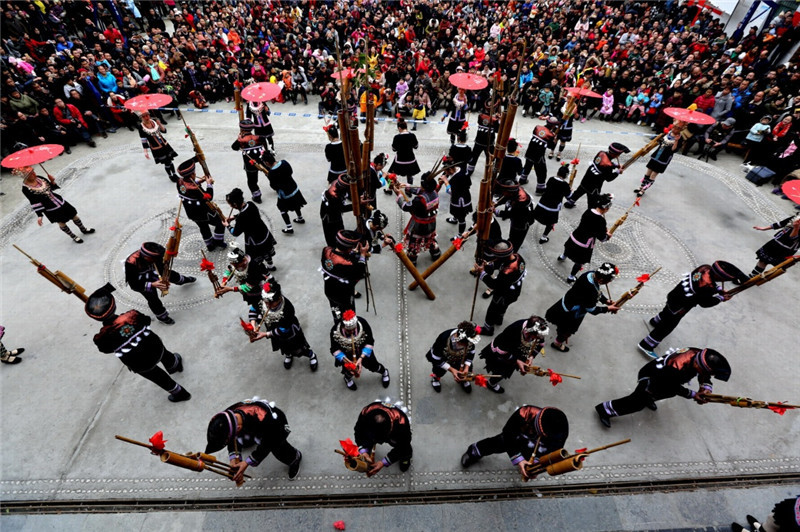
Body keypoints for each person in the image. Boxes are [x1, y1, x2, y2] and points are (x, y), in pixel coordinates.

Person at [85, 283, 191, 402]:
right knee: (164, 354)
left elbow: (105, 349)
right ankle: (174, 365)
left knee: (158, 376)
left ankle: (180, 393)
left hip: (139, 363)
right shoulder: (132, 315)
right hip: (154, 346)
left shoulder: (102, 336)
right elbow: (146, 321)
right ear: (114, 306)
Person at [595, 347, 731, 428]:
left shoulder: (698, 354)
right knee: (636, 402)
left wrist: (706, 387)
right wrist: (693, 394)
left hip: (666, 380)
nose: (707, 375)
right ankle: (605, 410)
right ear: (699, 365)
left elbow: (704, 374)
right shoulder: (676, 367)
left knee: (664, 393)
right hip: (653, 378)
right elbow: (672, 386)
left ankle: (650, 398)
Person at [638, 261, 748, 358]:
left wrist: (717, 289)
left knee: (667, 310)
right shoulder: (709, 287)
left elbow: (706, 284)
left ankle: (655, 321)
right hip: (681, 307)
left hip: (674, 295)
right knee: (668, 325)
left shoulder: (705, 267)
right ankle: (647, 344)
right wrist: (720, 298)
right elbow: (705, 303)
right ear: (721, 278)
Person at [205, 397, 303, 482]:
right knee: (244, 440)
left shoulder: (267, 420)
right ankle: (250, 439)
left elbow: (266, 445)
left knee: (277, 447)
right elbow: (232, 438)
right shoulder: (227, 417)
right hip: (250, 426)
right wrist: (234, 458)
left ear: (238, 428)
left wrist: (247, 462)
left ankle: (295, 458)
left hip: (275, 428)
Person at [460, 405, 569, 482]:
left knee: (530, 460)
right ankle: (474, 451)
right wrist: (519, 459)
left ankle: (526, 465)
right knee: (497, 443)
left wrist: (536, 466)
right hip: (516, 437)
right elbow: (508, 433)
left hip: (537, 448)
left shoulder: (560, 432)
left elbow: (553, 451)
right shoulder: (525, 413)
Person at [545, 262, 621, 352]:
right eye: (608, 281)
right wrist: (608, 308)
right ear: (601, 280)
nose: (609, 283)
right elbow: (592, 310)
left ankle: (560, 327)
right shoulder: (591, 290)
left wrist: (606, 301)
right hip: (573, 312)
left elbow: (597, 291)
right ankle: (557, 343)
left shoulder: (590, 274)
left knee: (561, 320)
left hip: (568, 301)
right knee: (567, 330)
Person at [124, 242, 197, 325]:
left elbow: (162, 267)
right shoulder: (131, 263)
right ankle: (162, 316)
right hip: (142, 281)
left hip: (155, 271)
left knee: (171, 274)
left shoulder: (155, 256)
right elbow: (134, 284)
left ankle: (183, 280)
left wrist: (164, 279)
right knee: (152, 298)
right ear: (146, 257)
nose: (158, 259)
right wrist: (152, 284)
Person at [250, 282, 318, 371]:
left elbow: (284, 329)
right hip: (274, 332)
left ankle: (311, 355)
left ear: (279, 298)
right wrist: (253, 324)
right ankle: (288, 354)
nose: (268, 305)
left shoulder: (287, 308)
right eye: (266, 302)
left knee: (298, 348)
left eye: (271, 303)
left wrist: (265, 334)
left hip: (290, 333)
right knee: (282, 346)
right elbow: (253, 309)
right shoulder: (262, 301)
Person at [18, 165, 94, 244]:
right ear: (25, 177)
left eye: (33, 171)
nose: (34, 174)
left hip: (59, 201)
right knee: (61, 222)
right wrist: (39, 215)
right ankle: (73, 236)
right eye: (30, 174)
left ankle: (83, 229)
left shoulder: (40, 178)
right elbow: (33, 201)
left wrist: (52, 181)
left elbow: (51, 188)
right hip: (49, 208)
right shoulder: (26, 189)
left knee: (74, 215)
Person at [477, 316, 549, 394]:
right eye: (536, 337)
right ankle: (491, 384)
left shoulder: (539, 331)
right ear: (529, 332)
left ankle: (493, 381)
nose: (538, 338)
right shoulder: (514, 329)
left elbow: (540, 344)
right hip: (504, 352)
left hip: (519, 351)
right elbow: (502, 351)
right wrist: (517, 361)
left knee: (508, 369)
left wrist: (531, 356)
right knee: (501, 370)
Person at [473, 240, 527, 337]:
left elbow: (494, 284)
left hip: (503, 294)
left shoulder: (508, 271)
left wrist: (482, 273)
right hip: (514, 292)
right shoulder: (518, 257)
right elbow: (498, 263)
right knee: (503, 307)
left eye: (497, 256)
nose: (496, 258)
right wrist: (487, 266)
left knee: (492, 309)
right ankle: (499, 319)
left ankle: (488, 329)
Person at [558, 192, 614, 282]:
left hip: (576, 235)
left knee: (569, 248)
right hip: (584, 243)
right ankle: (571, 276)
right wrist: (607, 235)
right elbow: (602, 238)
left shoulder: (588, 211)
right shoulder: (601, 220)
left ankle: (562, 256)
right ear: (606, 208)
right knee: (579, 261)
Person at [330, 310, 390, 391]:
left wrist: (361, 358)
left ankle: (384, 372)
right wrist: (348, 361)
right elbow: (334, 348)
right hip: (346, 356)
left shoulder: (363, 323)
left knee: (374, 366)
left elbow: (370, 341)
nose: (351, 332)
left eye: (353, 329)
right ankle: (347, 378)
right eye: (348, 331)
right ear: (343, 326)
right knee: (349, 371)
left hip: (364, 353)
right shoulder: (335, 331)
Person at [175, 158, 226, 251]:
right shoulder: (195, 189)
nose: (195, 174)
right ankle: (218, 241)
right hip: (204, 213)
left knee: (203, 228)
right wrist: (209, 184)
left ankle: (210, 245)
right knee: (220, 223)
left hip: (192, 214)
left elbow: (189, 186)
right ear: (191, 175)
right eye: (194, 173)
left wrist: (199, 181)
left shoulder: (179, 182)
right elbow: (208, 197)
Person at [353, 399, 412, 476]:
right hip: (379, 432)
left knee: (405, 450)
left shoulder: (401, 424)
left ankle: (405, 460)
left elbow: (403, 446)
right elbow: (359, 432)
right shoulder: (366, 412)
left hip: (395, 435)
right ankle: (367, 451)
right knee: (367, 441)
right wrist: (363, 450)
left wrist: (384, 462)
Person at [224, 187, 277, 271]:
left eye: (231, 205)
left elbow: (235, 232)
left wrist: (227, 225)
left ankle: (263, 271)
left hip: (254, 240)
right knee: (266, 251)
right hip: (263, 232)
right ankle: (271, 265)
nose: (231, 206)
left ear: (235, 204)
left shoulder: (241, 218)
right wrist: (234, 217)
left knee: (257, 256)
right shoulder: (250, 204)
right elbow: (247, 213)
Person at [394, 171, 441, 265]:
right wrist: (407, 186)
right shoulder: (434, 192)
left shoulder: (420, 200)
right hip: (431, 223)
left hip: (419, 226)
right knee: (430, 238)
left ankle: (412, 260)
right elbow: (421, 190)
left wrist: (399, 195)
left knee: (414, 242)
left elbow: (406, 206)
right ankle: (436, 253)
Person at [564, 143, 629, 209]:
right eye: (618, 154)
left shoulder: (601, 153)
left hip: (587, 178)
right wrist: (618, 172)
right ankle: (590, 213)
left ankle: (569, 203)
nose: (618, 156)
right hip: (594, 185)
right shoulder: (608, 166)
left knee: (579, 191)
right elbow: (609, 178)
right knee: (592, 201)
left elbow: (602, 163)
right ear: (615, 154)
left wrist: (615, 165)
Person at [320, 229, 368, 320]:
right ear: (349, 248)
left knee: (335, 309)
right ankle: (348, 327)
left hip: (329, 289)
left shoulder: (326, 251)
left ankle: (337, 320)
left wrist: (352, 252)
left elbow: (341, 259)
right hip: (343, 293)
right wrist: (362, 255)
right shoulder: (346, 264)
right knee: (348, 312)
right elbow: (359, 272)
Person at [425, 321, 480, 393]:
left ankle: (464, 380)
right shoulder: (444, 338)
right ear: (457, 337)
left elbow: (471, 353)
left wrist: (466, 368)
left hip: (460, 359)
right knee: (438, 371)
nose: (466, 346)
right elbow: (436, 358)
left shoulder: (470, 338)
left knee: (466, 371)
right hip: (444, 358)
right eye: (463, 344)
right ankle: (436, 379)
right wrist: (452, 370)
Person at [261, 151, 306, 234]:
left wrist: (268, 176)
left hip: (285, 193)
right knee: (296, 204)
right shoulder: (284, 162)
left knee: (282, 208)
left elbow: (274, 187)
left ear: (267, 162)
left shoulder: (271, 173)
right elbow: (291, 172)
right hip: (293, 187)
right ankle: (300, 218)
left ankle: (289, 227)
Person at [634, 127, 681, 196]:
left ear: (680, 130)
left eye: (676, 128)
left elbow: (673, 150)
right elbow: (658, 142)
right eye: (673, 127)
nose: (674, 129)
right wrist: (660, 136)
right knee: (648, 173)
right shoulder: (668, 133)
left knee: (653, 175)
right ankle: (641, 186)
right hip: (656, 155)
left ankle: (643, 190)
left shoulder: (679, 137)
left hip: (664, 158)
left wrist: (676, 141)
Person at [231, 119, 269, 203]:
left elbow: (234, 147)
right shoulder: (258, 137)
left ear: (242, 129)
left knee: (252, 181)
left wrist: (239, 139)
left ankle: (257, 196)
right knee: (268, 173)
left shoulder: (241, 140)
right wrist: (265, 151)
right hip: (261, 159)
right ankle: (277, 186)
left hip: (250, 164)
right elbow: (264, 141)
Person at [533, 163, 572, 244]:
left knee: (534, 215)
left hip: (543, 203)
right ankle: (543, 237)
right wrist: (570, 190)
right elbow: (569, 197)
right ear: (566, 176)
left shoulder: (551, 179)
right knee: (550, 223)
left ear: (557, 172)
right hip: (553, 208)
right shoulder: (565, 185)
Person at [137, 110, 178, 181]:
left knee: (170, 160)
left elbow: (164, 131)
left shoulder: (154, 121)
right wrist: (145, 151)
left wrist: (160, 124)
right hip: (156, 147)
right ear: (141, 117)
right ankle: (170, 175)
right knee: (167, 162)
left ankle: (174, 174)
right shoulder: (141, 127)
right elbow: (143, 139)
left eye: (147, 115)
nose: (146, 117)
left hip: (164, 144)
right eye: (144, 116)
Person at [520, 117, 558, 193]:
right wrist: (555, 140)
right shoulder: (551, 135)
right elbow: (551, 146)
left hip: (530, 151)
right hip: (538, 155)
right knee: (542, 171)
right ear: (553, 126)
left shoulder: (537, 127)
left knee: (527, 165)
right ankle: (540, 189)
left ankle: (522, 180)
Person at [495, 179, 534, 253]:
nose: (503, 193)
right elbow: (505, 197)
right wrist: (496, 203)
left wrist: (496, 211)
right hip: (517, 218)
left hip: (521, 222)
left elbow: (511, 214)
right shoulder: (514, 191)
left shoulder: (521, 201)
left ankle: (512, 252)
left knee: (516, 240)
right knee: (512, 236)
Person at [320, 173, 354, 247]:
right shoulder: (335, 196)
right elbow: (341, 209)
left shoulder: (337, 183)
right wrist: (356, 205)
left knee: (339, 229)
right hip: (330, 217)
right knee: (332, 234)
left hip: (333, 212)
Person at [388, 118, 420, 185]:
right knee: (409, 174)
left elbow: (394, 149)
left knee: (391, 173)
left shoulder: (397, 137)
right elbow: (416, 146)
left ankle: (389, 188)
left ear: (399, 128)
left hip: (400, 159)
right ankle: (409, 188)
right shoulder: (412, 135)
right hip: (410, 159)